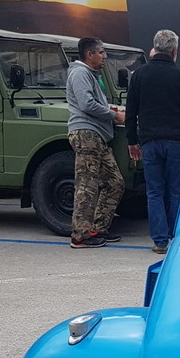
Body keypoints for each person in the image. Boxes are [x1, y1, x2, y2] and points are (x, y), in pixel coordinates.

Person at [124, 29, 180, 255]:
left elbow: (131, 111)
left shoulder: (139, 75)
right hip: (178, 142)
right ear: (175, 51)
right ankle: (177, 236)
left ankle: (160, 241)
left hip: (149, 142)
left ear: (155, 47)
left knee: (154, 192)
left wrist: (132, 140)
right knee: (177, 191)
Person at [65, 37, 125, 249]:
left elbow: (94, 102)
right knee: (87, 185)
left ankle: (98, 228)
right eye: (101, 52)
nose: (105, 56)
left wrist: (113, 110)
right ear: (89, 55)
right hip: (86, 134)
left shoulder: (90, 75)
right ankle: (80, 235)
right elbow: (86, 103)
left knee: (114, 182)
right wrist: (113, 115)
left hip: (98, 136)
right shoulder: (81, 73)